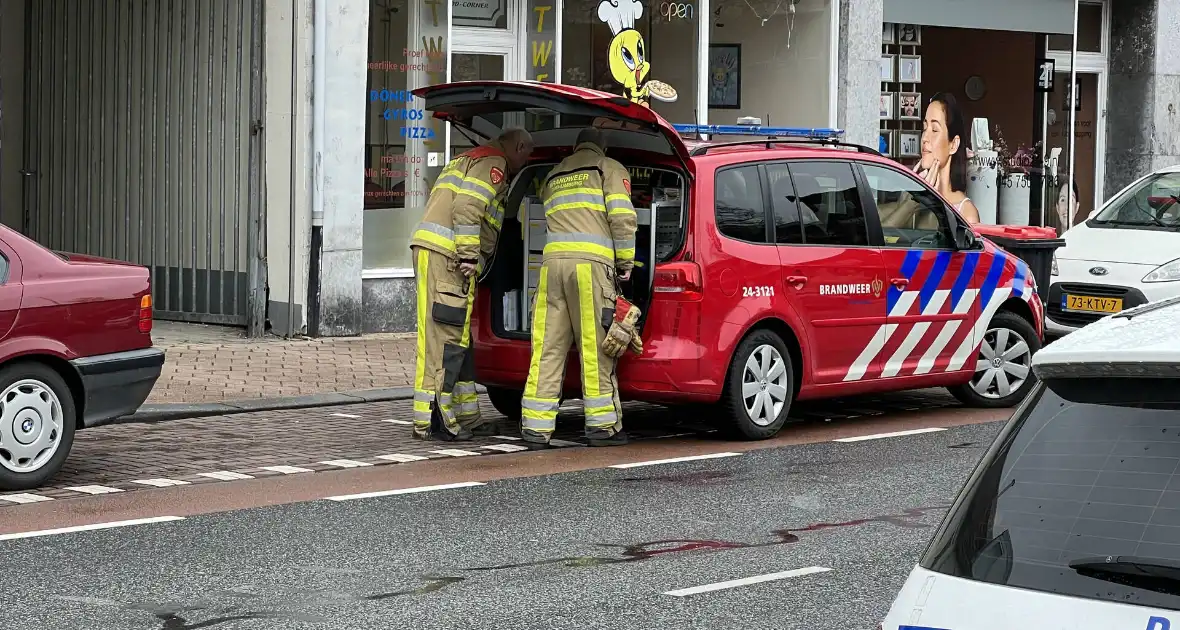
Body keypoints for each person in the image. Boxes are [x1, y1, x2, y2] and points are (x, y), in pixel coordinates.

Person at [410, 127, 534, 441]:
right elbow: (467, 206)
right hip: (449, 256)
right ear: (518, 146)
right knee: (444, 336)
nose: (525, 161)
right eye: (527, 154)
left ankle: (466, 414)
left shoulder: (468, 159)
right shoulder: (494, 163)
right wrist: (468, 255)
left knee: (458, 336)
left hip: (438, 251)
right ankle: (433, 418)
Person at [520, 127, 637, 447]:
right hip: (591, 268)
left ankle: (535, 428)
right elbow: (622, 218)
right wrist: (626, 262)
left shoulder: (555, 174)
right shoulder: (608, 169)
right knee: (596, 346)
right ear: (603, 146)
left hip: (551, 268)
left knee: (547, 348)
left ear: (576, 146)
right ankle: (602, 427)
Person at [881, 92, 981, 229]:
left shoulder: (966, 213)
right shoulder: (913, 196)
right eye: (924, 128)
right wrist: (912, 199)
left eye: (934, 130)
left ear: (953, 144)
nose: (924, 138)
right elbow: (879, 237)